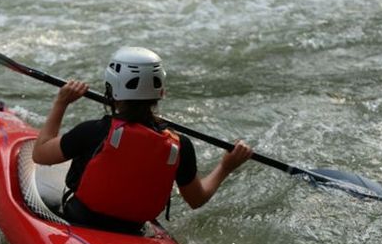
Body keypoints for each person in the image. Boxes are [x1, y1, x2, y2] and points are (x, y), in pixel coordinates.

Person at [32, 46, 253, 234]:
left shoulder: (94, 131)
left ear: (111, 87)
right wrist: (226, 166)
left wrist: (61, 103)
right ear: (161, 92)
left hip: (81, 224)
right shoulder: (179, 145)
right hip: (133, 231)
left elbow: (40, 154)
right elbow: (197, 199)